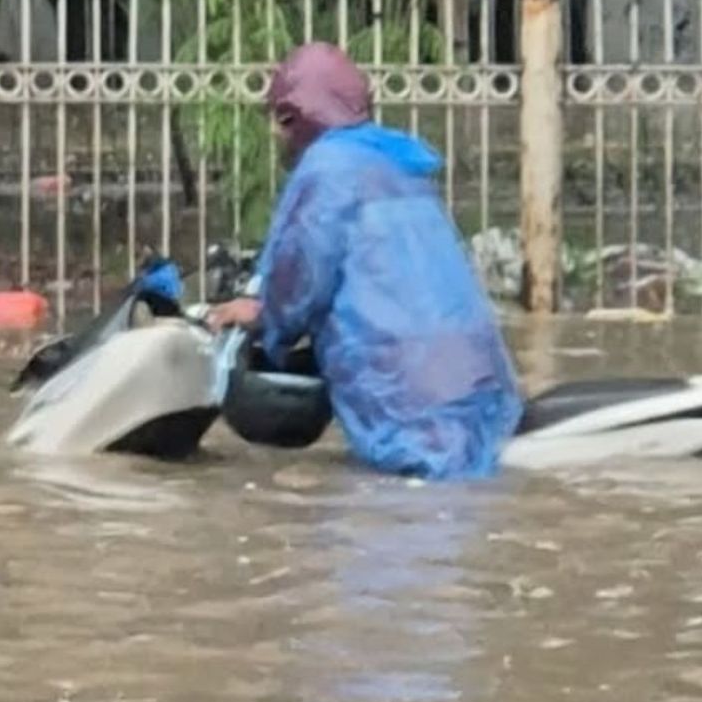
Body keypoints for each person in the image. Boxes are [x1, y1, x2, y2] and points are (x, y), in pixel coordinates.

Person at [204, 42, 523, 481]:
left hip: (404, 390)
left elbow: (299, 280)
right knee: (463, 501)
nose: (276, 135)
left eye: (277, 122)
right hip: (475, 381)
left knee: (394, 526)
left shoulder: (326, 170)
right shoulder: (396, 163)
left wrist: (262, 317)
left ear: (292, 116)